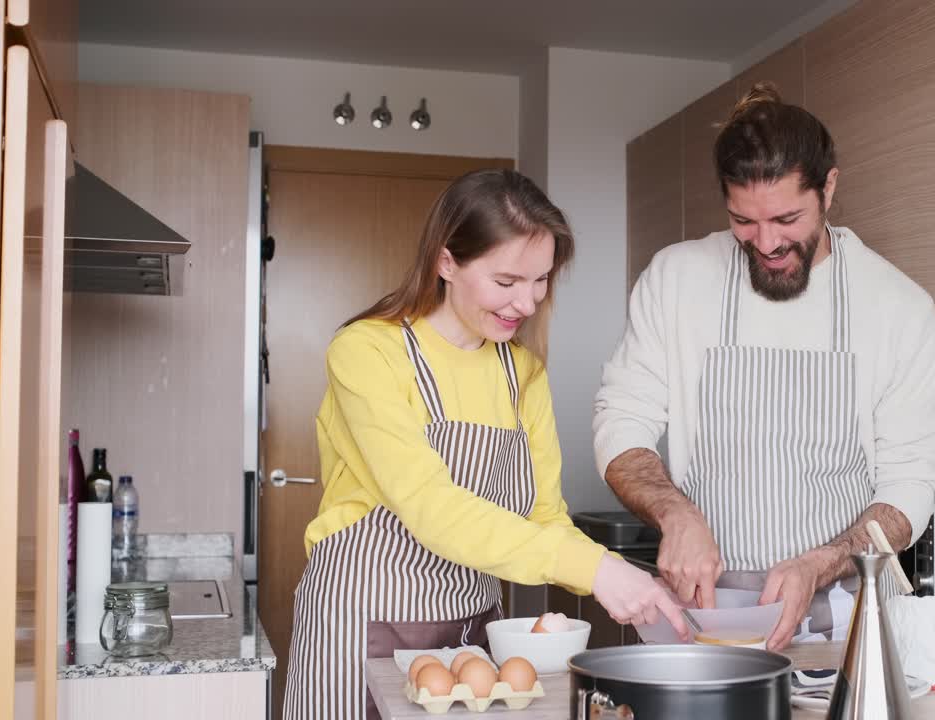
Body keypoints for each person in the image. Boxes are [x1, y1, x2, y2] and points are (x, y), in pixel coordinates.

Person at [284, 169, 686, 720]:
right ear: (446, 262)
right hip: (362, 618)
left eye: (541, 280)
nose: (526, 302)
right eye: (506, 282)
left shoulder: (522, 373)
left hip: (474, 626)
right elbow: (431, 506)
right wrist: (597, 570)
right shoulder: (367, 352)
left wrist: (623, 578)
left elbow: (545, 516)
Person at [593, 84, 935, 650]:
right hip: (703, 618)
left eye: (787, 218)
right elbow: (622, 423)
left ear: (829, 187)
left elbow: (910, 482)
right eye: (744, 221)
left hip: (843, 618)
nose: (766, 243)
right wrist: (675, 513)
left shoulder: (899, 308)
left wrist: (824, 561)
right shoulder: (676, 280)